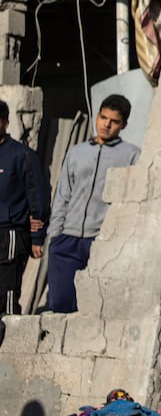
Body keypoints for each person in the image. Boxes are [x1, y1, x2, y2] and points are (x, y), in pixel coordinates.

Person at [46, 94, 140, 313]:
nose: (106, 125)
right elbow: (63, 195)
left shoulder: (131, 156)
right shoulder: (77, 152)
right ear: (97, 116)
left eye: (114, 121)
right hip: (66, 240)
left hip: (100, 242)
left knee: (95, 309)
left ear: (123, 124)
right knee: (60, 306)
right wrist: (56, 234)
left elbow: (132, 203)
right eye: (103, 117)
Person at [0, 101, 49, 315]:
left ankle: (9, 343)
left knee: (6, 293)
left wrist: (37, 237)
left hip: (10, 235)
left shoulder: (22, 155)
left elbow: (37, 196)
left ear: (5, 123)